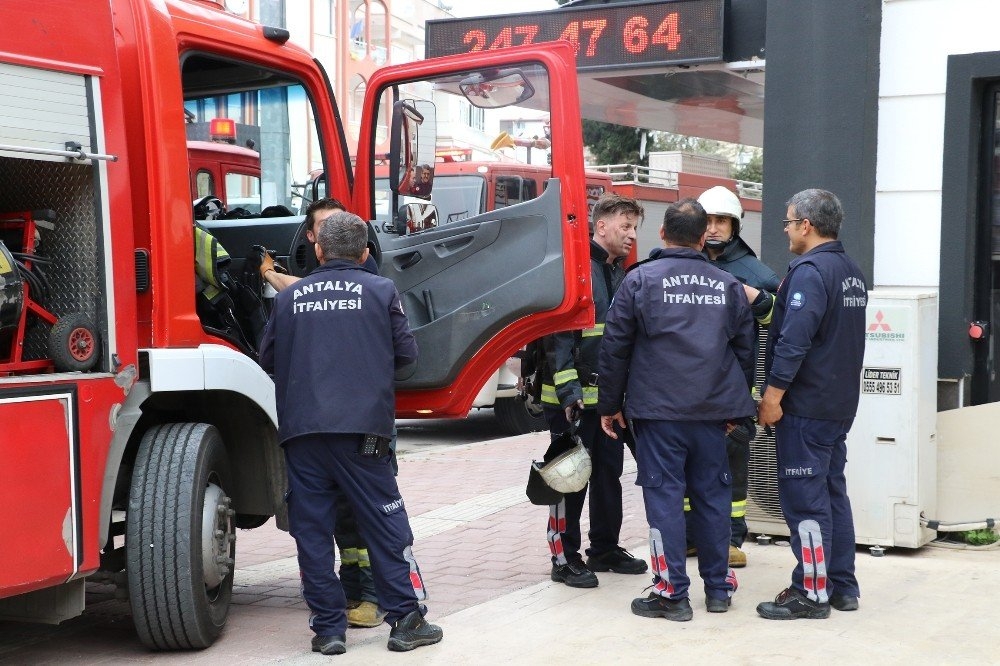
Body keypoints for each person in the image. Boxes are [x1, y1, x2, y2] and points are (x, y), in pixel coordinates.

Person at [259, 211, 442, 655]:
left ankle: (328, 630)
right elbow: (408, 357)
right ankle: (405, 620)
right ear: (365, 253)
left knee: (312, 530)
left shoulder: (290, 298)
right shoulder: (380, 290)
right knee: (385, 522)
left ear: (318, 250)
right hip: (364, 432)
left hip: (302, 432)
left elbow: (266, 358)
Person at [597, 198, 756, 620]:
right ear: (704, 238)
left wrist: (610, 405)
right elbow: (745, 351)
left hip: (658, 413)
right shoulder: (727, 285)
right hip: (712, 414)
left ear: (662, 235)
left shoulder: (639, 281)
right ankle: (718, 590)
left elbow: (615, 349)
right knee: (712, 496)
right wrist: (734, 408)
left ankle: (672, 594)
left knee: (665, 499)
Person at [258, 197, 389, 629]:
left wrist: (274, 276)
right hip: (355, 425)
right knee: (338, 520)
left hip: (320, 428)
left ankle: (356, 602)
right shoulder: (371, 286)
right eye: (327, 226)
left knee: (350, 521)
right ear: (313, 238)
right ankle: (356, 602)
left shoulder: (358, 282)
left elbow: (270, 356)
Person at [755, 189, 867, 620]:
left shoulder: (809, 271)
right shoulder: (850, 270)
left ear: (806, 224)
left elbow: (793, 341)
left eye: (788, 222)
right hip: (838, 407)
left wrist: (773, 396)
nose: (785, 230)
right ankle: (841, 586)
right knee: (832, 493)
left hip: (806, 407)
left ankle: (812, 592)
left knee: (805, 501)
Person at [536, 193, 648, 589]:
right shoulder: (576, 270)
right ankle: (563, 557)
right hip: (572, 403)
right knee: (569, 478)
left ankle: (604, 548)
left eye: (635, 228)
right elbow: (557, 339)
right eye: (625, 226)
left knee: (606, 475)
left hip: (605, 403)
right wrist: (569, 395)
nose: (632, 235)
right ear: (601, 225)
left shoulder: (616, 271)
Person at [694, 185, 781, 569]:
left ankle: (731, 539)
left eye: (721, 221)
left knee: (733, 467)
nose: (712, 228)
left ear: (735, 226)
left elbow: (781, 323)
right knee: (689, 466)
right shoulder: (684, 262)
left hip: (735, 390)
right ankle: (691, 536)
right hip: (690, 388)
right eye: (707, 220)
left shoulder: (756, 273)